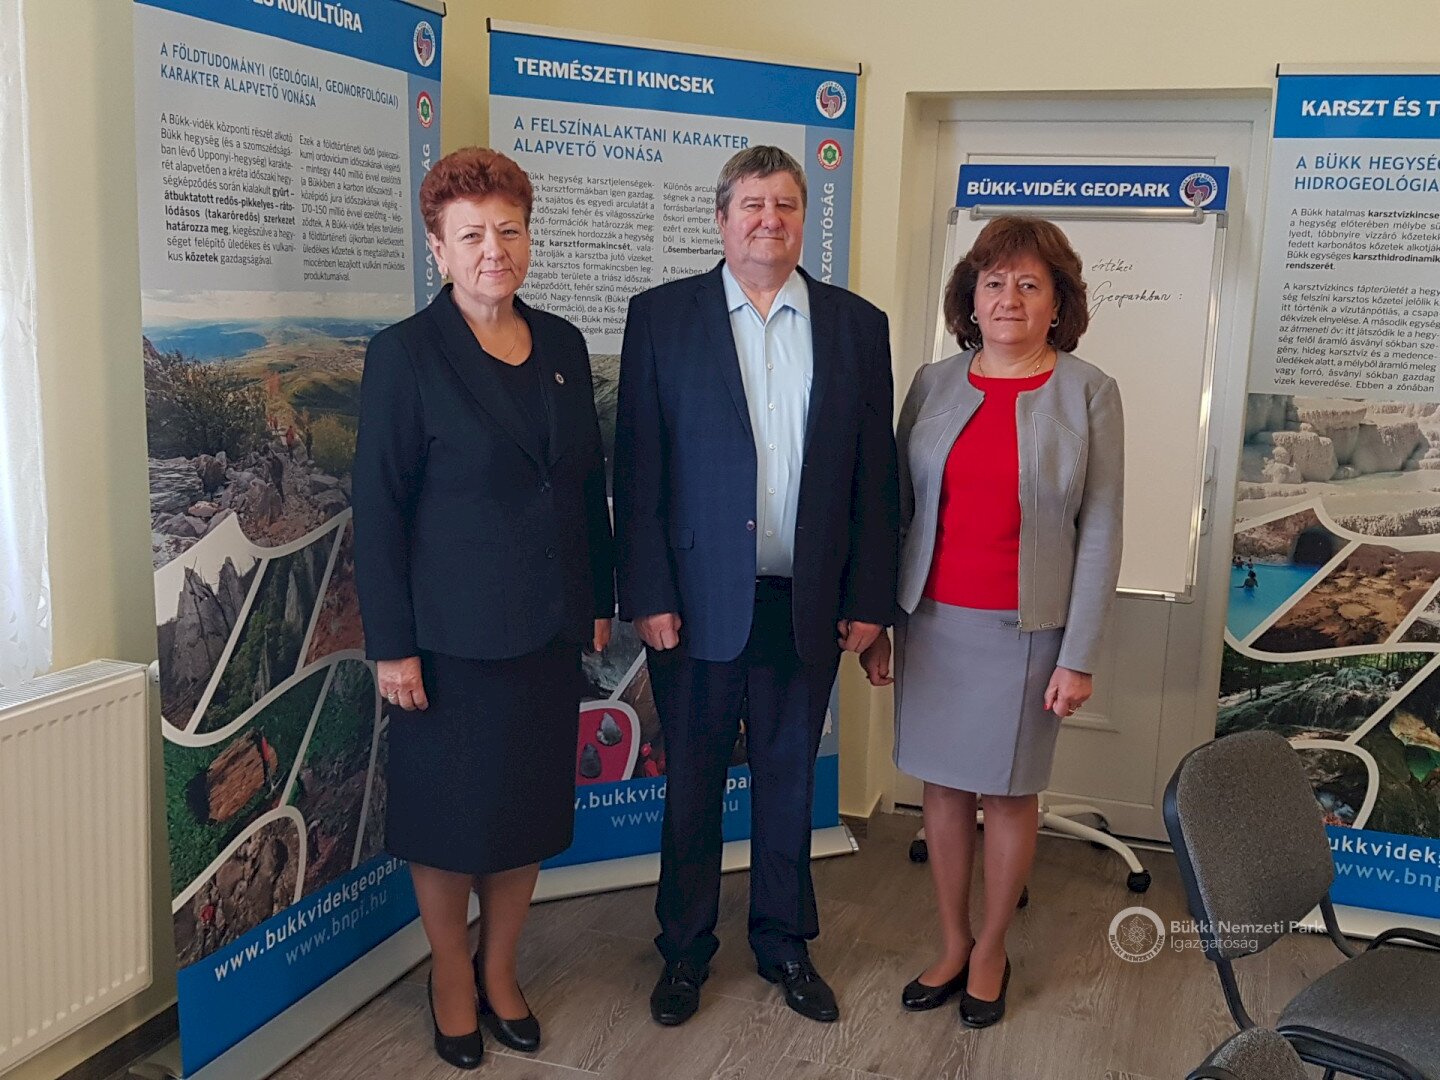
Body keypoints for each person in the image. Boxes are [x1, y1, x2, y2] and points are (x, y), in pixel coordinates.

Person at [614, 146, 898, 1027]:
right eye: (751, 204)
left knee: (787, 784)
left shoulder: (857, 325)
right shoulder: (662, 318)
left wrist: (871, 600)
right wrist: (647, 592)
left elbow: (876, 479)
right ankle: (684, 952)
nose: (768, 219)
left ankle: (784, 944)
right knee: (693, 786)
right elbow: (639, 466)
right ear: (721, 218)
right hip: (694, 604)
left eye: (784, 204)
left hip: (805, 602)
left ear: (804, 219)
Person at [352, 147, 614, 1069]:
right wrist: (392, 646)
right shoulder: (404, 354)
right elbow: (379, 510)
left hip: (547, 627)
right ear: (438, 248)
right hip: (447, 640)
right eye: (471, 235)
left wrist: (596, 598)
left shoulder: (564, 347)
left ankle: (501, 969)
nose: (493, 249)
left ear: (528, 237)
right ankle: (451, 976)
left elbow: (583, 486)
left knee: (525, 813)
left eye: (508, 230)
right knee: (450, 820)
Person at [861, 215, 1123, 1029]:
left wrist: (1079, 655)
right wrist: (879, 623)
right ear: (970, 299)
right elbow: (895, 511)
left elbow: (1102, 528)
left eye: (1029, 284)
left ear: (1058, 304)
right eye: (994, 282)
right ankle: (951, 940)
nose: (1009, 298)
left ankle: (992, 949)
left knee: (1009, 794)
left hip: (1028, 631)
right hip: (932, 620)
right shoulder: (933, 383)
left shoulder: (1089, 392)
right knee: (941, 788)